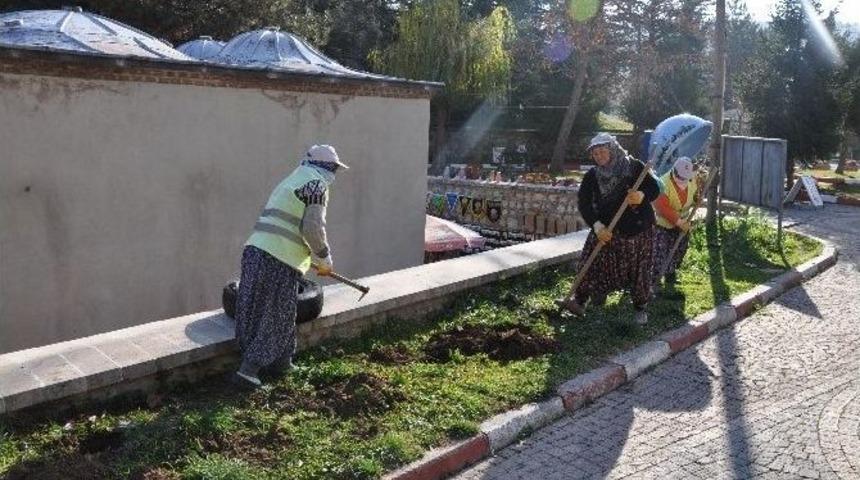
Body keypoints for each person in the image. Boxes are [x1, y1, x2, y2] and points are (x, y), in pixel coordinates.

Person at [233, 144, 348, 388]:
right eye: (334, 169)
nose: (334, 175)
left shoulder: (291, 180)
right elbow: (312, 228)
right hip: (279, 260)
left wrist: (311, 258)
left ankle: (283, 363)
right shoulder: (316, 185)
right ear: (326, 167)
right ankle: (248, 370)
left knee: (263, 311)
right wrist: (324, 257)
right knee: (277, 315)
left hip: (255, 252)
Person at [556, 133, 660, 325]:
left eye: (602, 151)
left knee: (639, 269)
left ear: (612, 150)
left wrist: (641, 195)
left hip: (638, 229)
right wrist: (597, 226)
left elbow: (655, 188)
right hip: (607, 229)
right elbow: (584, 204)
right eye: (595, 153)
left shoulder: (634, 167)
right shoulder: (592, 176)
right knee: (590, 258)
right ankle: (579, 301)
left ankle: (640, 308)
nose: (599, 156)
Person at [652, 156, 699, 290]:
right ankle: (655, 281)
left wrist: (697, 199)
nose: (683, 180)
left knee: (679, 250)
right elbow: (661, 207)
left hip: (683, 223)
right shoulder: (663, 183)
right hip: (663, 225)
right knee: (661, 252)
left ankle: (670, 274)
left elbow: (695, 193)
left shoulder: (691, 178)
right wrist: (678, 222)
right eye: (680, 177)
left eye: (686, 178)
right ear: (674, 172)